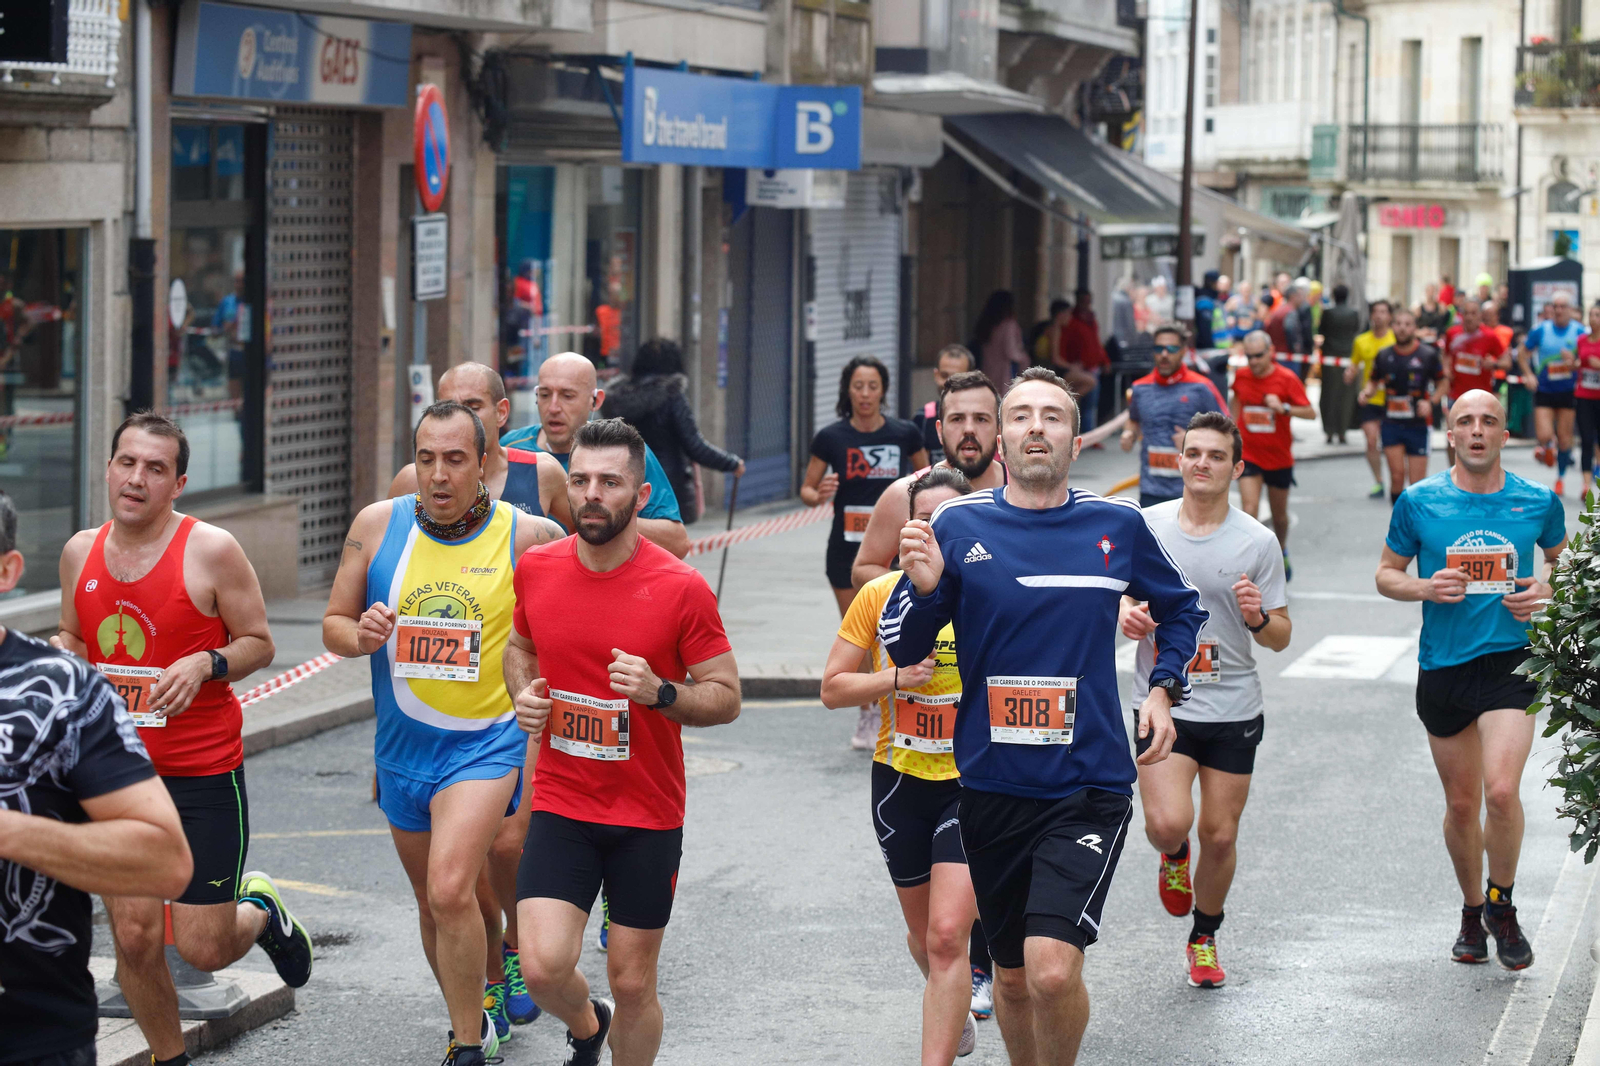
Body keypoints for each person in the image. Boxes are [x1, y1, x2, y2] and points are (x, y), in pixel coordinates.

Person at [882, 366, 1207, 1066]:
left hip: (1086, 786)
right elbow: (905, 647)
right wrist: (927, 588)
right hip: (992, 789)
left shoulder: (1116, 526)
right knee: (1011, 977)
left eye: (1052, 416)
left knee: (1053, 967)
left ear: (1077, 440)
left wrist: (1161, 690)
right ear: (1000, 437)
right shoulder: (956, 523)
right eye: (1021, 415)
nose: (1036, 426)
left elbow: (1183, 609)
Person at [54, 413, 311, 1066]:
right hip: (118, 780)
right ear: (108, 468)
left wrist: (206, 663)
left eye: (155, 469)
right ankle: (170, 1059)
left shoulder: (212, 550)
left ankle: (260, 911)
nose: (136, 478)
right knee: (136, 939)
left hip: (201, 773)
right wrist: (65, 660)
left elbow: (258, 640)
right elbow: (74, 635)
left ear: (178, 484)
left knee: (202, 946)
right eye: (127, 463)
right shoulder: (79, 551)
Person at [324, 401, 564, 1066]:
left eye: (455, 459)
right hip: (403, 751)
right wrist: (361, 633)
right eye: (426, 457)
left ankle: (465, 1045)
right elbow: (334, 624)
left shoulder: (529, 536)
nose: (437, 474)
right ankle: (481, 999)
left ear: (487, 464)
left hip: (487, 743)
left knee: (450, 886)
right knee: (436, 907)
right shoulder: (376, 526)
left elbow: (575, 617)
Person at [506, 418, 741, 1066]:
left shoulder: (679, 588)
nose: (591, 493)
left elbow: (726, 696)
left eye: (609, 482)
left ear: (640, 497)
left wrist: (661, 692)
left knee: (634, 981)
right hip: (563, 800)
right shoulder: (538, 569)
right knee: (544, 967)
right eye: (580, 479)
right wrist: (523, 693)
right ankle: (587, 1027)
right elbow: (518, 646)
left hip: (646, 811)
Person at [390, 362, 573, 1033]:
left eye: (468, 405)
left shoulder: (540, 476)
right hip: (426, 729)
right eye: (443, 405)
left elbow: (576, 563)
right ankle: (489, 978)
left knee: (505, 848)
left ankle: (520, 950)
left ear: (497, 414)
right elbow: (392, 583)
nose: (454, 415)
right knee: (451, 880)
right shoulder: (409, 493)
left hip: (510, 713)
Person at [1, 491, 196, 1066]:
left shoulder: (63, 692)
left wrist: (10, 834)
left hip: (33, 1037)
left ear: (8, 571)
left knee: (176, 936)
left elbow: (165, 860)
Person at [1376, 389, 1566, 970]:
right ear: (1450, 435)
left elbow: (1567, 565)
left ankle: (1501, 904)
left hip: (1512, 663)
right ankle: (1470, 909)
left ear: (1506, 436)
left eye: (1488, 421)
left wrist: (1547, 591)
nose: (1477, 430)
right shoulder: (1418, 501)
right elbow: (1386, 575)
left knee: (1502, 792)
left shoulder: (1537, 501)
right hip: (1445, 666)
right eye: (1466, 421)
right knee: (1463, 806)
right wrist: (1424, 587)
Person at [1119, 412, 1291, 988]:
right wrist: (1128, 613)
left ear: (1235, 467)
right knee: (1169, 824)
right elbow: (1111, 599)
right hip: (1160, 700)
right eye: (1193, 452)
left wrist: (1258, 617)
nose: (1202, 463)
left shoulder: (1257, 540)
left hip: (1234, 705)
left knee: (1219, 834)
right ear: (1179, 459)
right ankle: (1173, 856)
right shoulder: (1146, 526)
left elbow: (1281, 635)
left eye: (1216, 456)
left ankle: (1205, 935)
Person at [824, 467, 982, 1065]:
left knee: (947, 934)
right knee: (924, 940)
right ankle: (955, 1000)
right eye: (925, 522)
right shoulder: (879, 595)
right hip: (899, 782)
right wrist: (896, 677)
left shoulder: (986, 591)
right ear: (907, 529)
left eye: (949, 523)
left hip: (970, 784)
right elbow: (833, 688)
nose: (934, 536)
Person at [803, 354, 928, 749]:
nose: (866, 394)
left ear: (883, 391)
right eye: (858, 386)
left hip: (896, 549)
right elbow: (806, 489)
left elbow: (929, 481)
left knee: (893, 632)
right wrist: (817, 493)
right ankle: (867, 712)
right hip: (846, 550)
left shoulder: (905, 433)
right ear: (848, 391)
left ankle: (900, 706)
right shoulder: (831, 437)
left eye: (873, 386)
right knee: (859, 635)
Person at [502, 352, 690, 558]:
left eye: (567, 396)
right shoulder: (511, 448)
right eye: (545, 395)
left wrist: (601, 515)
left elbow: (677, 543)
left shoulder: (624, 450)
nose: (553, 408)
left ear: (595, 400)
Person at [852, 370, 1006, 590]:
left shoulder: (1022, 490)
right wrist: (918, 587)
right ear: (940, 431)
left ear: (999, 430)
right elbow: (863, 570)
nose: (969, 429)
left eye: (981, 419)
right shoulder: (904, 493)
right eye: (957, 419)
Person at [392, 362, 572, 528]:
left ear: (501, 412)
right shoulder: (410, 480)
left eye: (473, 407)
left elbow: (587, 540)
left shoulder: (542, 472)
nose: (460, 419)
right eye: (450, 408)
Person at [601, 338, 745, 525]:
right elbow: (695, 446)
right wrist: (732, 463)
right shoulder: (671, 396)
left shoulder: (616, 399)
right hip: (664, 489)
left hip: (621, 485)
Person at [1229, 330, 1314, 580]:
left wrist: (1284, 407)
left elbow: (1311, 412)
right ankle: (1249, 563)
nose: (1253, 361)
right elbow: (1237, 399)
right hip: (1250, 455)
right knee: (1249, 508)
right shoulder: (1242, 375)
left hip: (1278, 458)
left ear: (1270, 353)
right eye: (1249, 356)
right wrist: (1233, 429)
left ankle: (1282, 549)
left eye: (1258, 356)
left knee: (1279, 517)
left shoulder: (1286, 378)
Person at [1121, 325, 1226, 508]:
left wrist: (1194, 442)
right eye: (1158, 348)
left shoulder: (1201, 387)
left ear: (1183, 351)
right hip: (1151, 487)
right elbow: (1134, 419)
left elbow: (1228, 431)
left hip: (1192, 488)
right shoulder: (1140, 388)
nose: (1164, 354)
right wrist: (1128, 433)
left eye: (1171, 349)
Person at [1362, 308, 1445, 503]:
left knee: (1417, 484)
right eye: (1398, 324)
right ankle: (1399, 526)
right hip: (1391, 422)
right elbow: (1373, 381)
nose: (1402, 329)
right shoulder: (1383, 356)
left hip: (1418, 425)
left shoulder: (1427, 355)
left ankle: (1416, 529)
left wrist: (1431, 402)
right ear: (1393, 327)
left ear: (1414, 328)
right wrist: (1367, 392)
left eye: (1407, 325)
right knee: (1397, 477)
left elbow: (1443, 382)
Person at [1518, 291, 1587, 495]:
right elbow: (1522, 353)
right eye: (1555, 306)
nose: (1558, 310)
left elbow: (1585, 360)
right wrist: (1528, 374)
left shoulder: (1580, 332)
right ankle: (1546, 447)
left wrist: (1573, 364)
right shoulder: (1541, 330)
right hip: (1545, 389)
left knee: (1565, 440)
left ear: (1571, 310)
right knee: (1544, 434)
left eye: (1562, 307)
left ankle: (1560, 478)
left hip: (1568, 391)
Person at [1441, 300, 1510, 467]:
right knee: (1452, 438)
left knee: (1482, 437)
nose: (1470, 317)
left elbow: (1507, 361)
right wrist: (1446, 369)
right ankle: (1454, 472)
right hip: (1456, 394)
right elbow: (1444, 354)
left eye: (1474, 314)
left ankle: (1480, 471)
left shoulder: (1489, 336)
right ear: (1461, 316)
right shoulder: (1452, 334)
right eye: (1466, 313)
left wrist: (1493, 364)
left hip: (1481, 397)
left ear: (1480, 316)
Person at [1349, 300, 1397, 498]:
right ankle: (1379, 481)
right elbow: (1354, 364)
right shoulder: (1361, 341)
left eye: (1383, 312)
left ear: (1390, 316)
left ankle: (1397, 479)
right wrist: (1349, 373)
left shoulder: (1396, 339)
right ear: (1371, 316)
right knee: (1371, 441)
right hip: (1369, 398)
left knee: (1392, 444)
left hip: (1394, 400)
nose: (1379, 316)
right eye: (1376, 312)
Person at [913, 345, 978, 465]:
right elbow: (921, 473)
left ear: (972, 377)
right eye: (944, 375)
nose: (950, 382)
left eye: (958, 377)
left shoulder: (985, 417)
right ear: (936, 375)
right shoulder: (923, 418)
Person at [1057, 292, 1109, 434]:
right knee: (1086, 399)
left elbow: (1095, 343)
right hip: (1077, 367)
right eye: (1084, 301)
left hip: (1090, 367)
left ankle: (1087, 433)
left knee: (1090, 404)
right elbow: (1060, 351)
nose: (1087, 304)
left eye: (1089, 301)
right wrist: (1071, 364)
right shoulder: (1070, 323)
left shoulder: (1090, 320)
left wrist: (1105, 360)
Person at [1319, 284, 1362, 444]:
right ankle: (1343, 430)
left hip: (1330, 356)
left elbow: (1321, 330)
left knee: (1329, 394)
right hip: (1347, 356)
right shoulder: (1353, 314)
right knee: (1346, 395)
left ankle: (1329, 430)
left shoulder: (1328, 313)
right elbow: (1356, 330)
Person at [971, 291, 1029, 387]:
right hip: (1005, 371)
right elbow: (1011, 352)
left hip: (987, 369)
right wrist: (1024, 358)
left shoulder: (987, 324)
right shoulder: (1008, 325)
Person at [1576, 301, 1600, 489]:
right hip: (1584, 395)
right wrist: (1573, 363)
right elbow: (1579, 363)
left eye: (1597, 315)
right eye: (1591, 314)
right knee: (1585, 439)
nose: (1594, 318)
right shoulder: (1581, 340)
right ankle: (1586, 485)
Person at [1028, 299, 1071, 368]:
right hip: (1046, 367)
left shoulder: (1047, 326)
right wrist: (1071, 366)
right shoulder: (1054, 330)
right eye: (1068, 313)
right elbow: (1055, 359)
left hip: (1038, 365)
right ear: (1060, 314)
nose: (1070, 317)